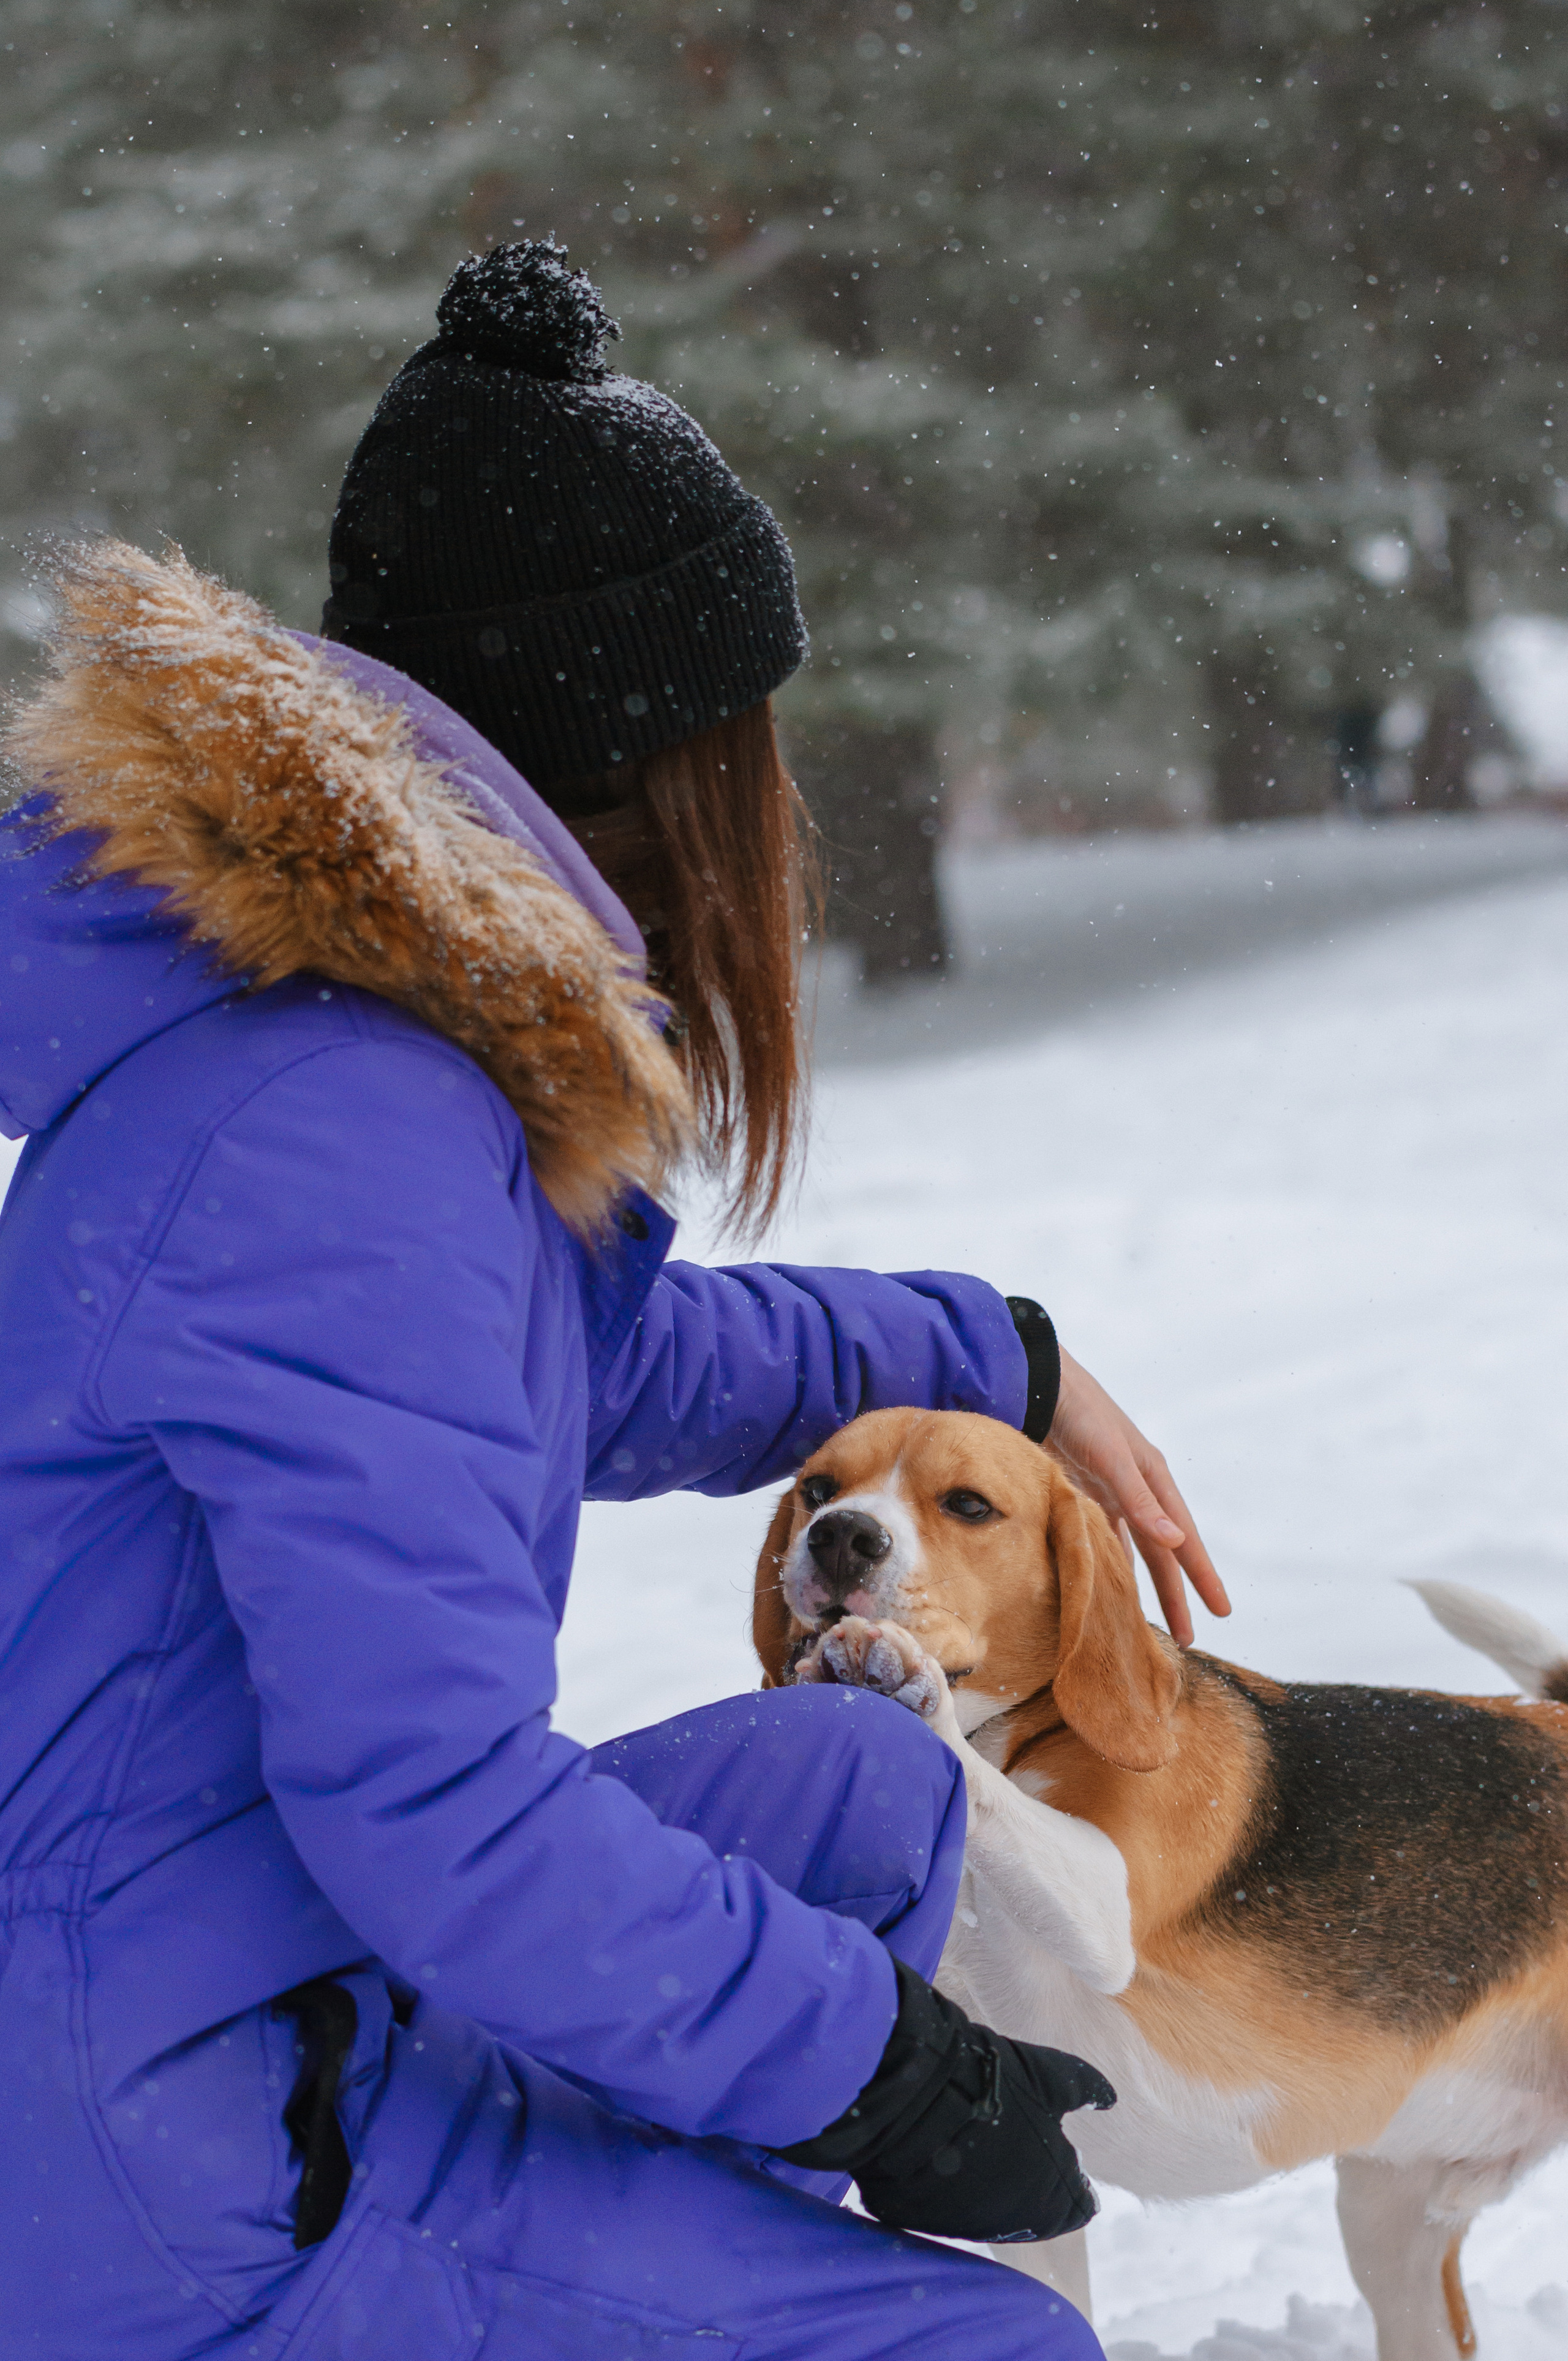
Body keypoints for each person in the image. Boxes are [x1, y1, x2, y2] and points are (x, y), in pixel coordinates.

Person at [0, 243, 1224, 2360]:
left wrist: (987, 1354)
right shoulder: (340, 1134)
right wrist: (883, 2072)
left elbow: (580, 1365)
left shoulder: (322, 1061)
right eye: (754, 743)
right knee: (994, 2350)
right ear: (657, 763)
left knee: (864, 1788)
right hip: (177, 2151)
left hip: (206, 1971)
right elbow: (438, 1811)